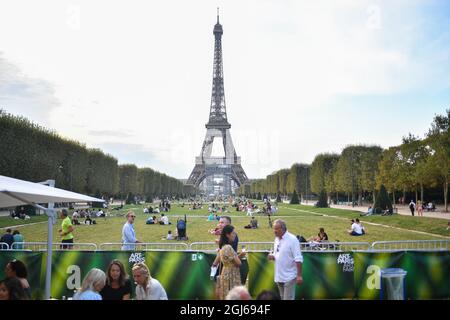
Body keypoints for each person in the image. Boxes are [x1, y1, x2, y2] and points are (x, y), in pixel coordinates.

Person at [268, 219, 303, 300]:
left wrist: (299, 275)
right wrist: (272, 256)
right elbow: (277, 253)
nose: (274, 231)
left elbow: (298, 258)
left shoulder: (293, 240)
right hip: (279, 276)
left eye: (276, 229)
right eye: (274, 229)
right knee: (282, 298)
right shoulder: (276, 239)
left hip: (289, 277)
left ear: (283, 229)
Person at [212, 225, 242, 300]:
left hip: (225, 272)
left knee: (226, 294)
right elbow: (238, 263)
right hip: (231, 274)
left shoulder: (223, 246)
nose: (235, 236)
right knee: (231, 295)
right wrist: (240, 255)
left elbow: (231, 260)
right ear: (227, 235)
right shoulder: (228, 247)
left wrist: (238, 256)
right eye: (233, 233)